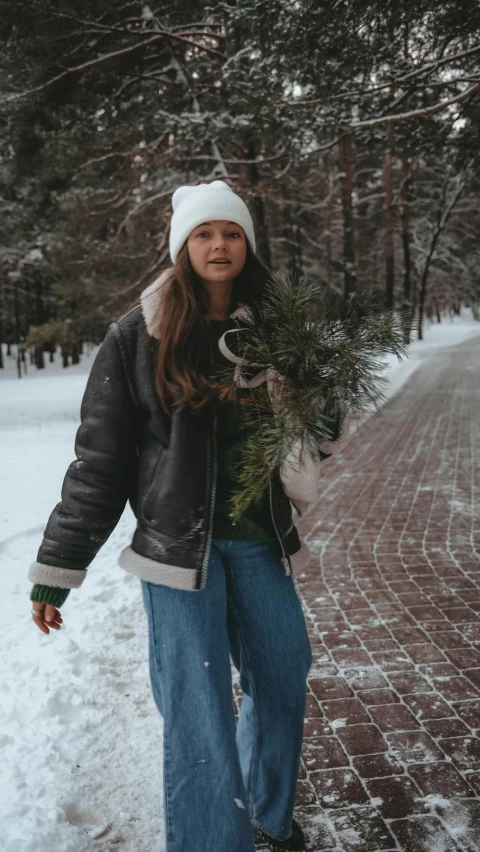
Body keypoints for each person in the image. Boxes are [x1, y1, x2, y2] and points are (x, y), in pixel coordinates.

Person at [28, 180, 340, 852]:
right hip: (176, 554)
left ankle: (268, 815)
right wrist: (59, 568)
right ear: (182, 247)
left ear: (247, 243)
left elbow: (320, 428)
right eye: (204, 234)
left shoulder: (276, 328)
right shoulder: (138, 334)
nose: (219, 245)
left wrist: (318, 386)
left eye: (230, 232)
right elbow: (99, 461)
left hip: (261, 541)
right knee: (198, 713)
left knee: (284, 672)